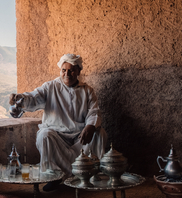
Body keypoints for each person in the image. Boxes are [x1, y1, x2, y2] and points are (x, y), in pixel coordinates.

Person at [9, 53, 108, 191]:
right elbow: (34, 97)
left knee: (99, 134)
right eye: (64, 70)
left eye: (71, 70)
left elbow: (94, 112)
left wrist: (90, 126)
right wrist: (19, 98)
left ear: (79, 71)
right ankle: (54, 177)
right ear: (60, 71)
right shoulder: (50, 87)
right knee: (44, 135)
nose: (67, 74)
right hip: (57, 136)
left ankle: (89, 174)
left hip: (80, 137)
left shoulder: (87, 91)